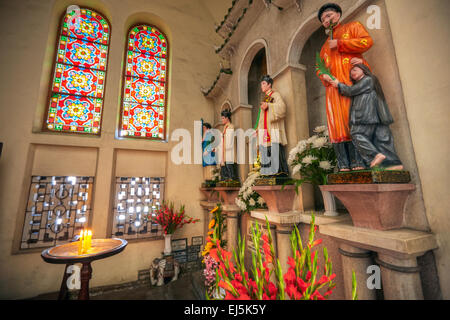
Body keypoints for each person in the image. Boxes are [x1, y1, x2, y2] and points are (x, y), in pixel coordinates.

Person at [317, 3, 374, 171]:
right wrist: (323, 75)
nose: (327, 20)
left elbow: (367, 41)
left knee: (355, 120)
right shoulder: (324, 47)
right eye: (323, 19)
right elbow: (319, 68)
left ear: (338, 14)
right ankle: (344, 164)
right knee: (338, 125)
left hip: (352, 84)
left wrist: (341, 44)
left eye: (329, 15)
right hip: (333, 91)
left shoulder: (353, 27)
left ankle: (360, 163)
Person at [329, 64, 404, 170]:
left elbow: (351, 91)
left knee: (356, 133)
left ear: (363, 70)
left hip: (365, 116)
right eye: (351, 72)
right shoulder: (366, 82)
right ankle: (393, 164)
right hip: (375, 117)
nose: (352, 73)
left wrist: (338, 85)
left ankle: (374, 155)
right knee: (382, 140)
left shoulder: (368, 79)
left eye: (355, 70)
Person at [255, 75, 289, 177]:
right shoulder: (265, 98)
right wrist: (257, 129)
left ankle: (279, 172)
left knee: (275, 150)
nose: (262, 86)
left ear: (269, 84)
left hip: (272, 129)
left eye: (264, 83)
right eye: (261, 84)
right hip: (265, 130)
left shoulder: (275, 95)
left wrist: (269, 106)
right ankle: (268, 172)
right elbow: (261, 117)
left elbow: (282, 108)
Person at [218, 110, 239, 182]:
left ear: (227, 118)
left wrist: (225, 148)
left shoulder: (230, 127)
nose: (222, 120)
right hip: (224, 152)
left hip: (229, 151)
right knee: (224, 171)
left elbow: (229, 141)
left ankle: (232, 181)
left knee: (230, 168)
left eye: (223, 118)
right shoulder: (225, 128)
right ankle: (227, 181)